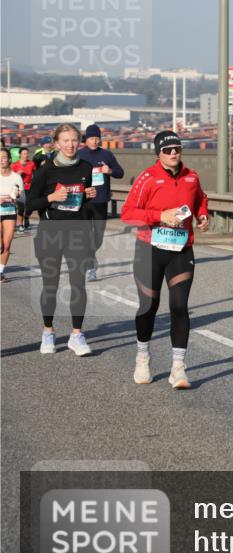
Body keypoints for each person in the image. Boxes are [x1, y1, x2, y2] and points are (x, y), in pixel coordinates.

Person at [121, 131, 209, 389]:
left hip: (181, 250)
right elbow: (128, 213)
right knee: (149, 306)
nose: (173, 154)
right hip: (149, 249)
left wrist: (204, 215)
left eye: (177, 149)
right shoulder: (147, 178)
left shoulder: (191, 177)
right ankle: (142, 357)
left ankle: (178, 368)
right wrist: (160, 216)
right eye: (168, 150)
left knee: (180, 306)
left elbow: (200, 200)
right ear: (158, 153)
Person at [25, 124, 97, 356]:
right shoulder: (46, 170)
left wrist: (88, 196)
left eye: (74, 140)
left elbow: (83, 202)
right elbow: (29, 205)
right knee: (51, 284)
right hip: (50, 233)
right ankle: (48, 332)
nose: (70, 145)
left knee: (78, 283)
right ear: (56, 143)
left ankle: (77, 335)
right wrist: (51, 197)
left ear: (80, 142)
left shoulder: (86, 167)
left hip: (77, 232)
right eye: (65, 140)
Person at [77, 124, 125, 280]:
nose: (95, 141)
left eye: (97, 138)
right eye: (92, 138)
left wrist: (109, 171)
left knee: (98, 237)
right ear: (86, 140)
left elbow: (120, 173)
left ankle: (90, 255)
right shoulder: (78, 155)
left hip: (101, 200)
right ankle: (91, 266)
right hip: (83, 201)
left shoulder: (107, 155)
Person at [0, 148, 24, 282]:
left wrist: (18, 196)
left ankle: (0, 272)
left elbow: (22, 198)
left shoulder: (16, 177)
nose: (1, 160)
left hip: (10, 211)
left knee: (6, 245)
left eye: (3, 157)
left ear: (9, 159)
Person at [11, 147, 35, 233]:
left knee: (29, 206)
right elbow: (11, 177)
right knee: (20, 207)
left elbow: (36, 174)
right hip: (19, 188)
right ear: (20, 154)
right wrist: (17, 174)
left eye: (27, 153)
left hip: (29, 187)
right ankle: (20, 224)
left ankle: (27, 217)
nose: (26, 155)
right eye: (24, 153)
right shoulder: (15, 165)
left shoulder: (31, 163)